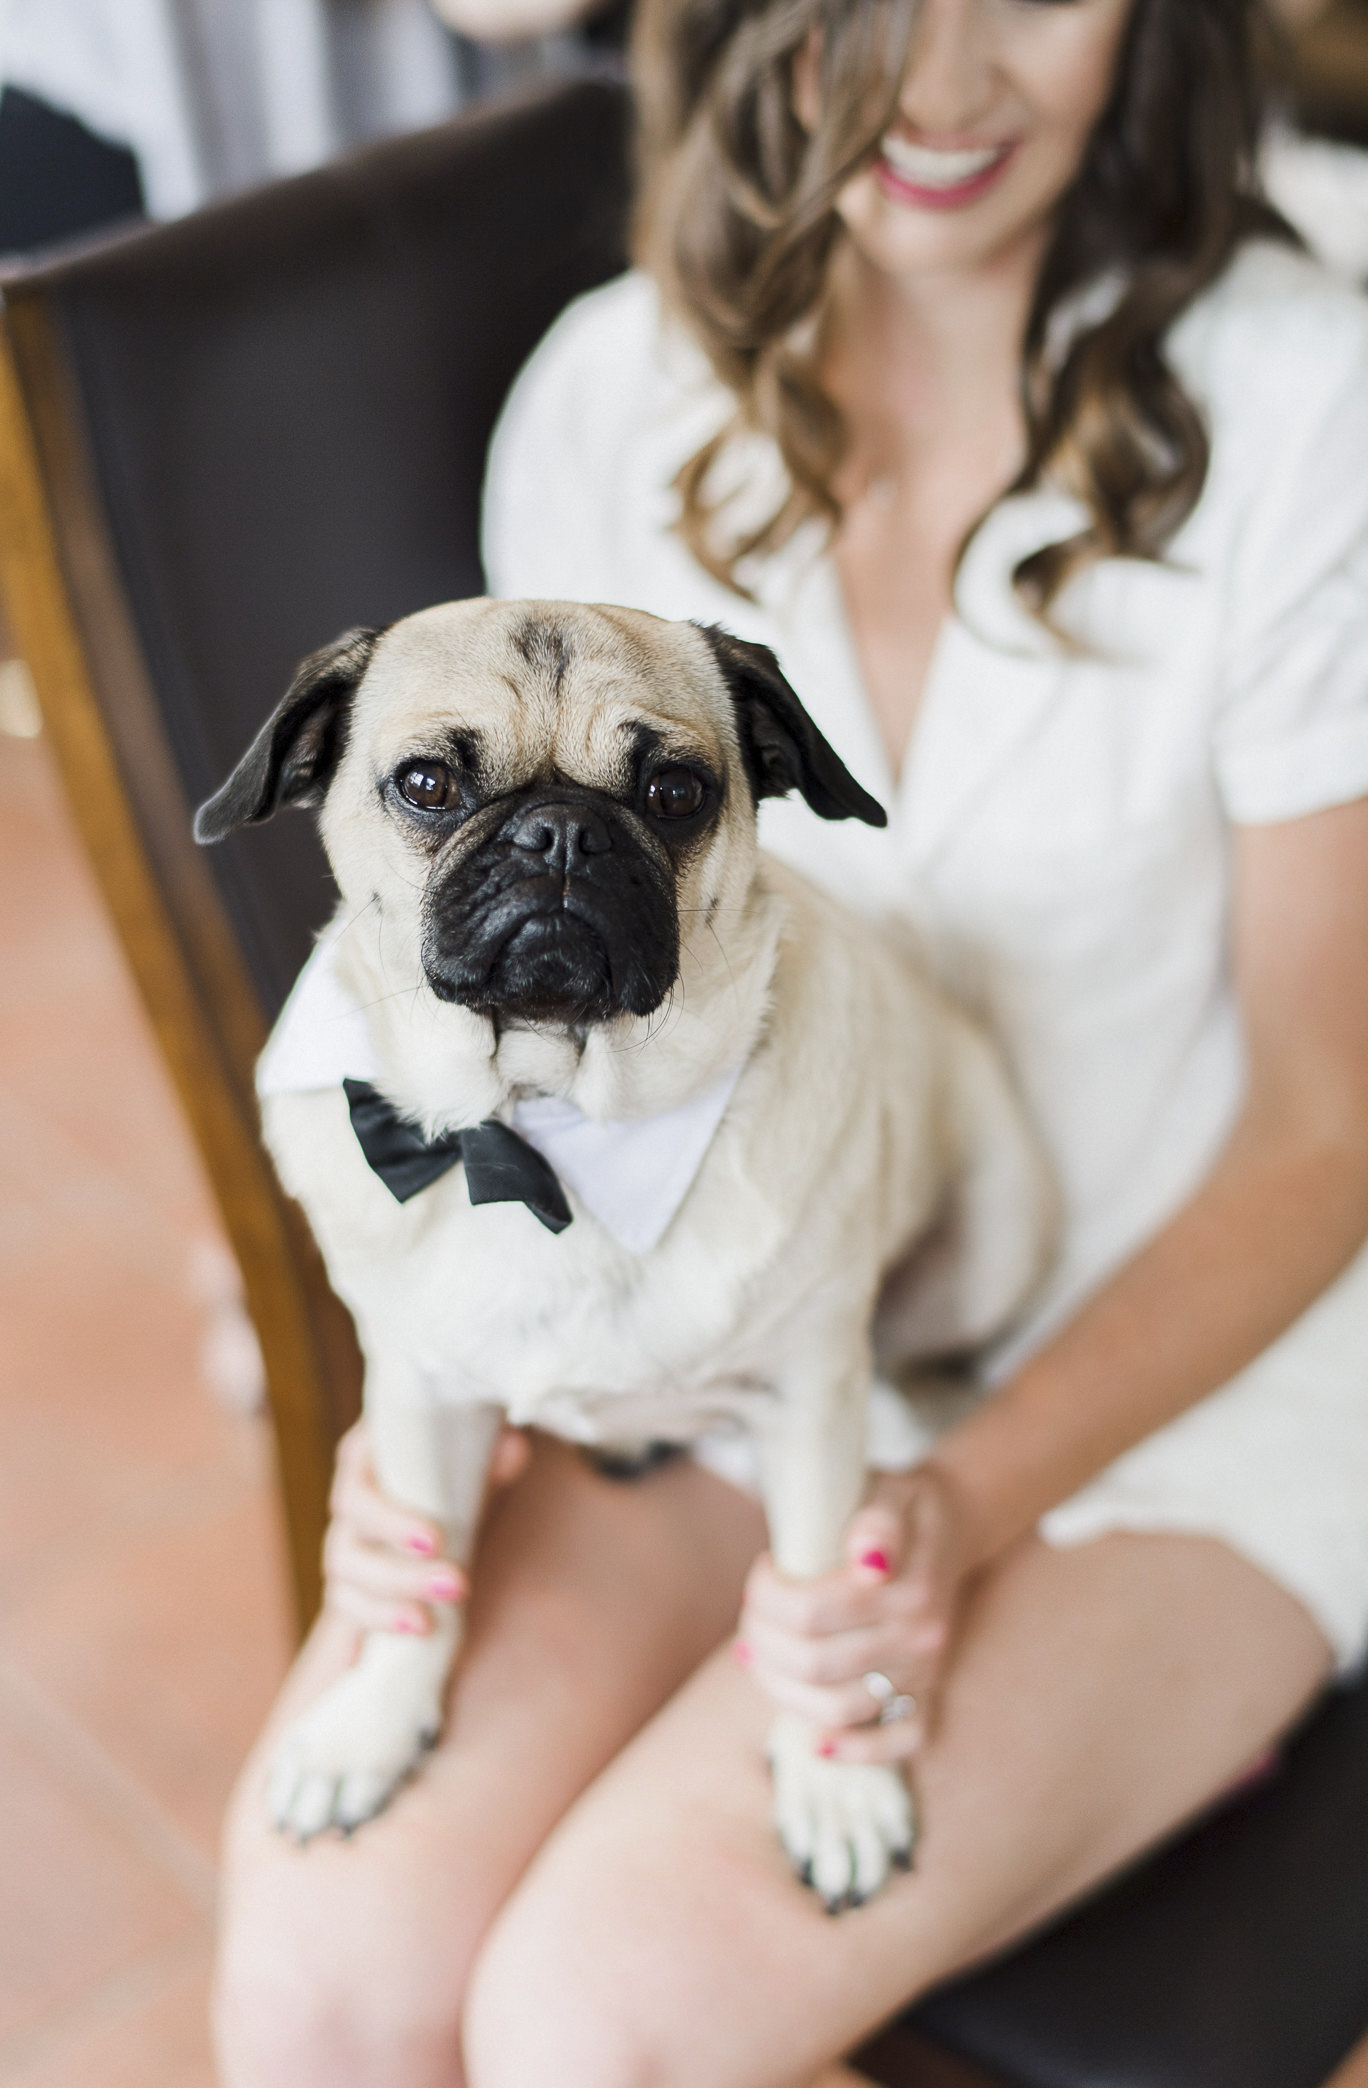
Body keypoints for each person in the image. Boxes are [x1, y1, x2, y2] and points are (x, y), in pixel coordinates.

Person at [213, 0, 1368, 2082]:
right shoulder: (614, 400)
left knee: (599, 2014)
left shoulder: (1309, 407)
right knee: (324, 1967)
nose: (933, 81)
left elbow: (1326, 1121)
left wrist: (960, 1507)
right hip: (732, 1311)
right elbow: (500, 983)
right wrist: (453, 1372)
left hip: (1209, 1334)